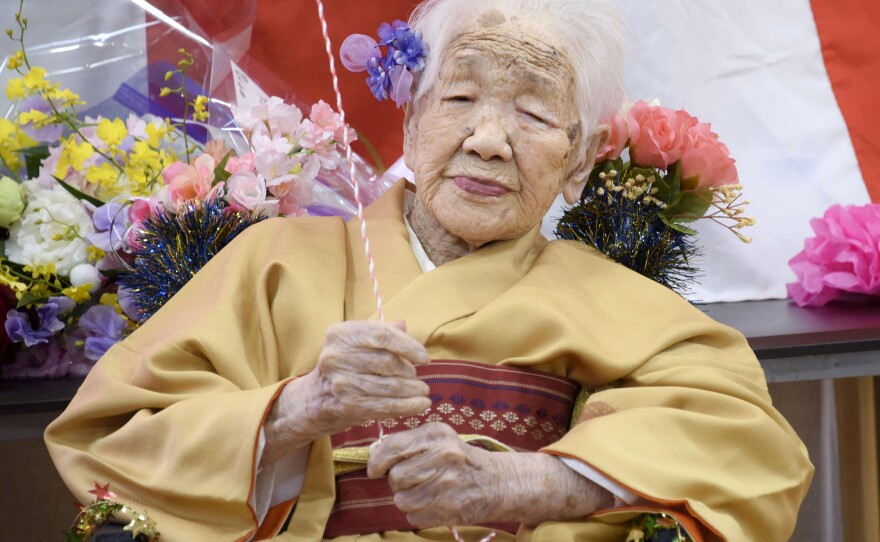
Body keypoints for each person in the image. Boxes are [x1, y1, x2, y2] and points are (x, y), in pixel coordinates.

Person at [45, 0, 814, 540]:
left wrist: (523, 484)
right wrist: (297, 409)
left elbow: (755, 453)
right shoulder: (271, 264)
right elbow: (112, 441)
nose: (488, 139)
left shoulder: (621, 302)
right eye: (461, 96)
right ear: (412, 125)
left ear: (580, 161)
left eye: (535, 114)